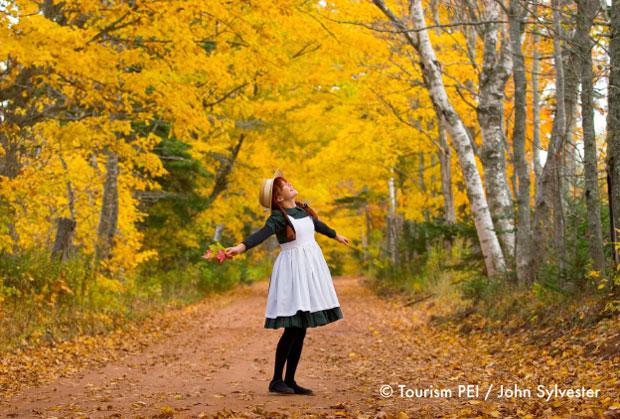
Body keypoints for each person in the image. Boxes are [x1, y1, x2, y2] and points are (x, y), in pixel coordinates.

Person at [225, 169, 350, 395]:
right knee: (292, 327)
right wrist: (240, 247)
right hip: (293, 271)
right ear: (278, 198)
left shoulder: (302, 210)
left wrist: (335, 235)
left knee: (301, 328)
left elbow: (317, 226)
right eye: (285, 185)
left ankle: (290, 380)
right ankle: (276, 380)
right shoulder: (278, 217)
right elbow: (261, 234)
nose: (291, 184)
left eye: (288, 182)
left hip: (309, 267)